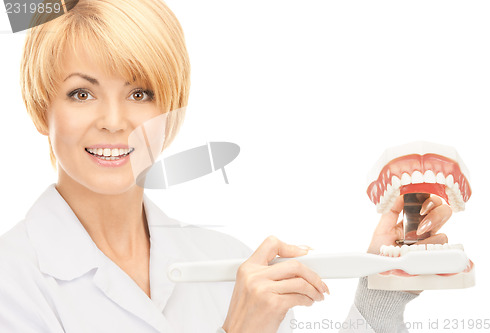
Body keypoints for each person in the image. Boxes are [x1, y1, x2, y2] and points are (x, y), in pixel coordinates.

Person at [0, 0, 452, 332]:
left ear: (170, 111)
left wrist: (378, 298)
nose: (115, 122)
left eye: (140, 94)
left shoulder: (227, 259)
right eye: (82, 93)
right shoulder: (12, 279)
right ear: (42, 109)